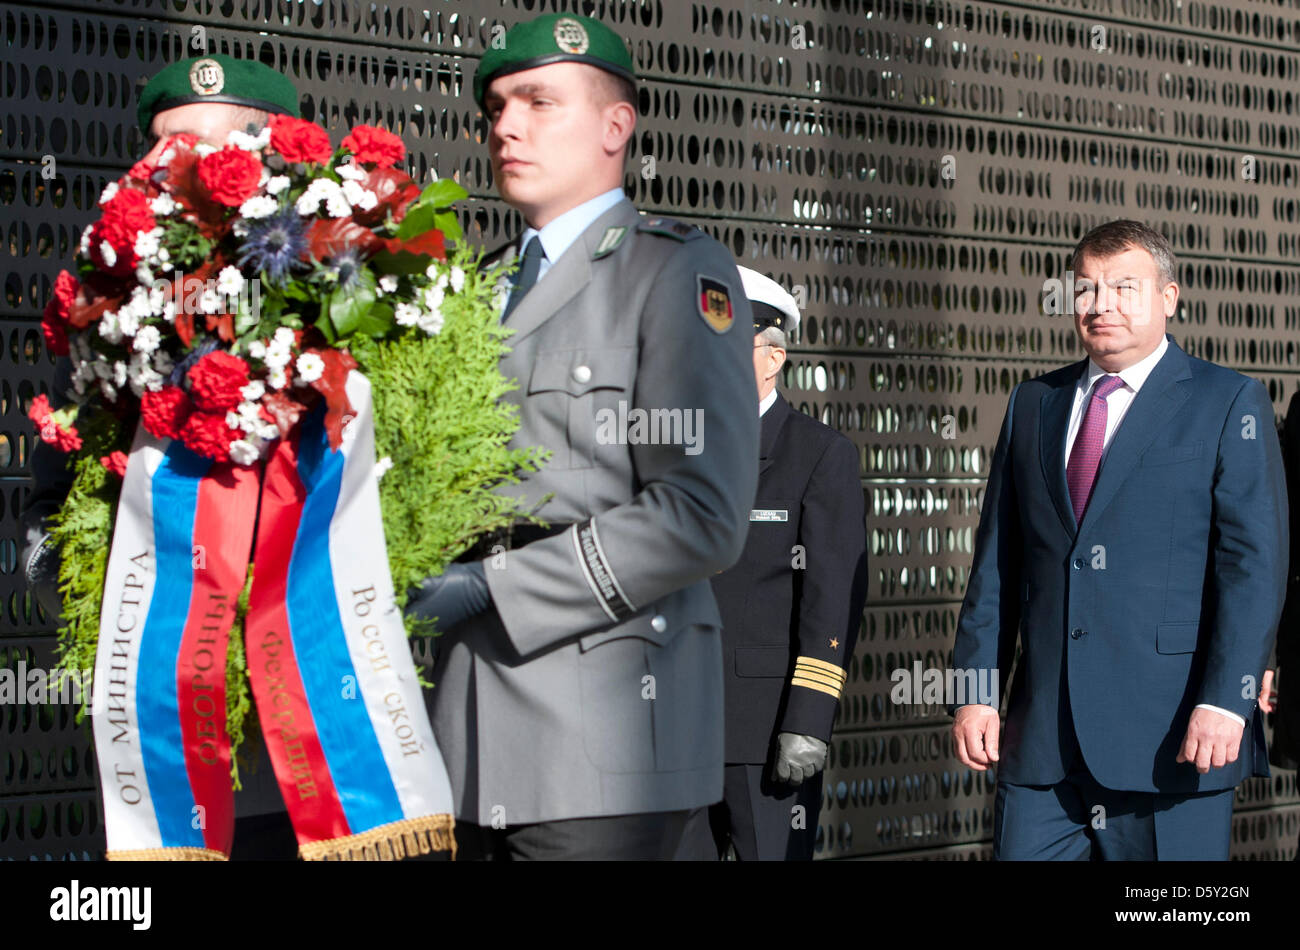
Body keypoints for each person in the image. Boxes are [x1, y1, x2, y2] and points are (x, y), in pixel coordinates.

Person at [405, 13, 758, 860]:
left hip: (606, 725)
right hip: (465, 725)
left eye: (536, 101)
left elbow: (700, 513)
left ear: (615, 123)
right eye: (495, 108)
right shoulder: (468, 287)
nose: (506, 127)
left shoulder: (673, 271)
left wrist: (495, 586)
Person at [21, 53, 300, 860]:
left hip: (300, 747)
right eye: (153, 145)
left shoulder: (338, 296)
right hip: (151, 734)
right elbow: (50, 497)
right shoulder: (105, 303)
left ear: (258, 160)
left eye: (186, 145)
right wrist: (85, 598)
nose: (153, 166)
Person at [950, 219, 1287, 860]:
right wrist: (973, 691)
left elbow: (1253, 566)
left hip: (1174, 740)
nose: (1102, 306)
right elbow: (996, 562)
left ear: (1169, 296)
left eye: (1124, 288)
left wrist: (1228, 699)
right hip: (1043, 744)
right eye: (1087, 289)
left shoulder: (1228, 402)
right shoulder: (1033, 404)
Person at [675, 267, 866, 861]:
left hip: (765, 729)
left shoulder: (818, 454)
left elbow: (832, 596)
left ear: (773, 356)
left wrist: (809, 718)